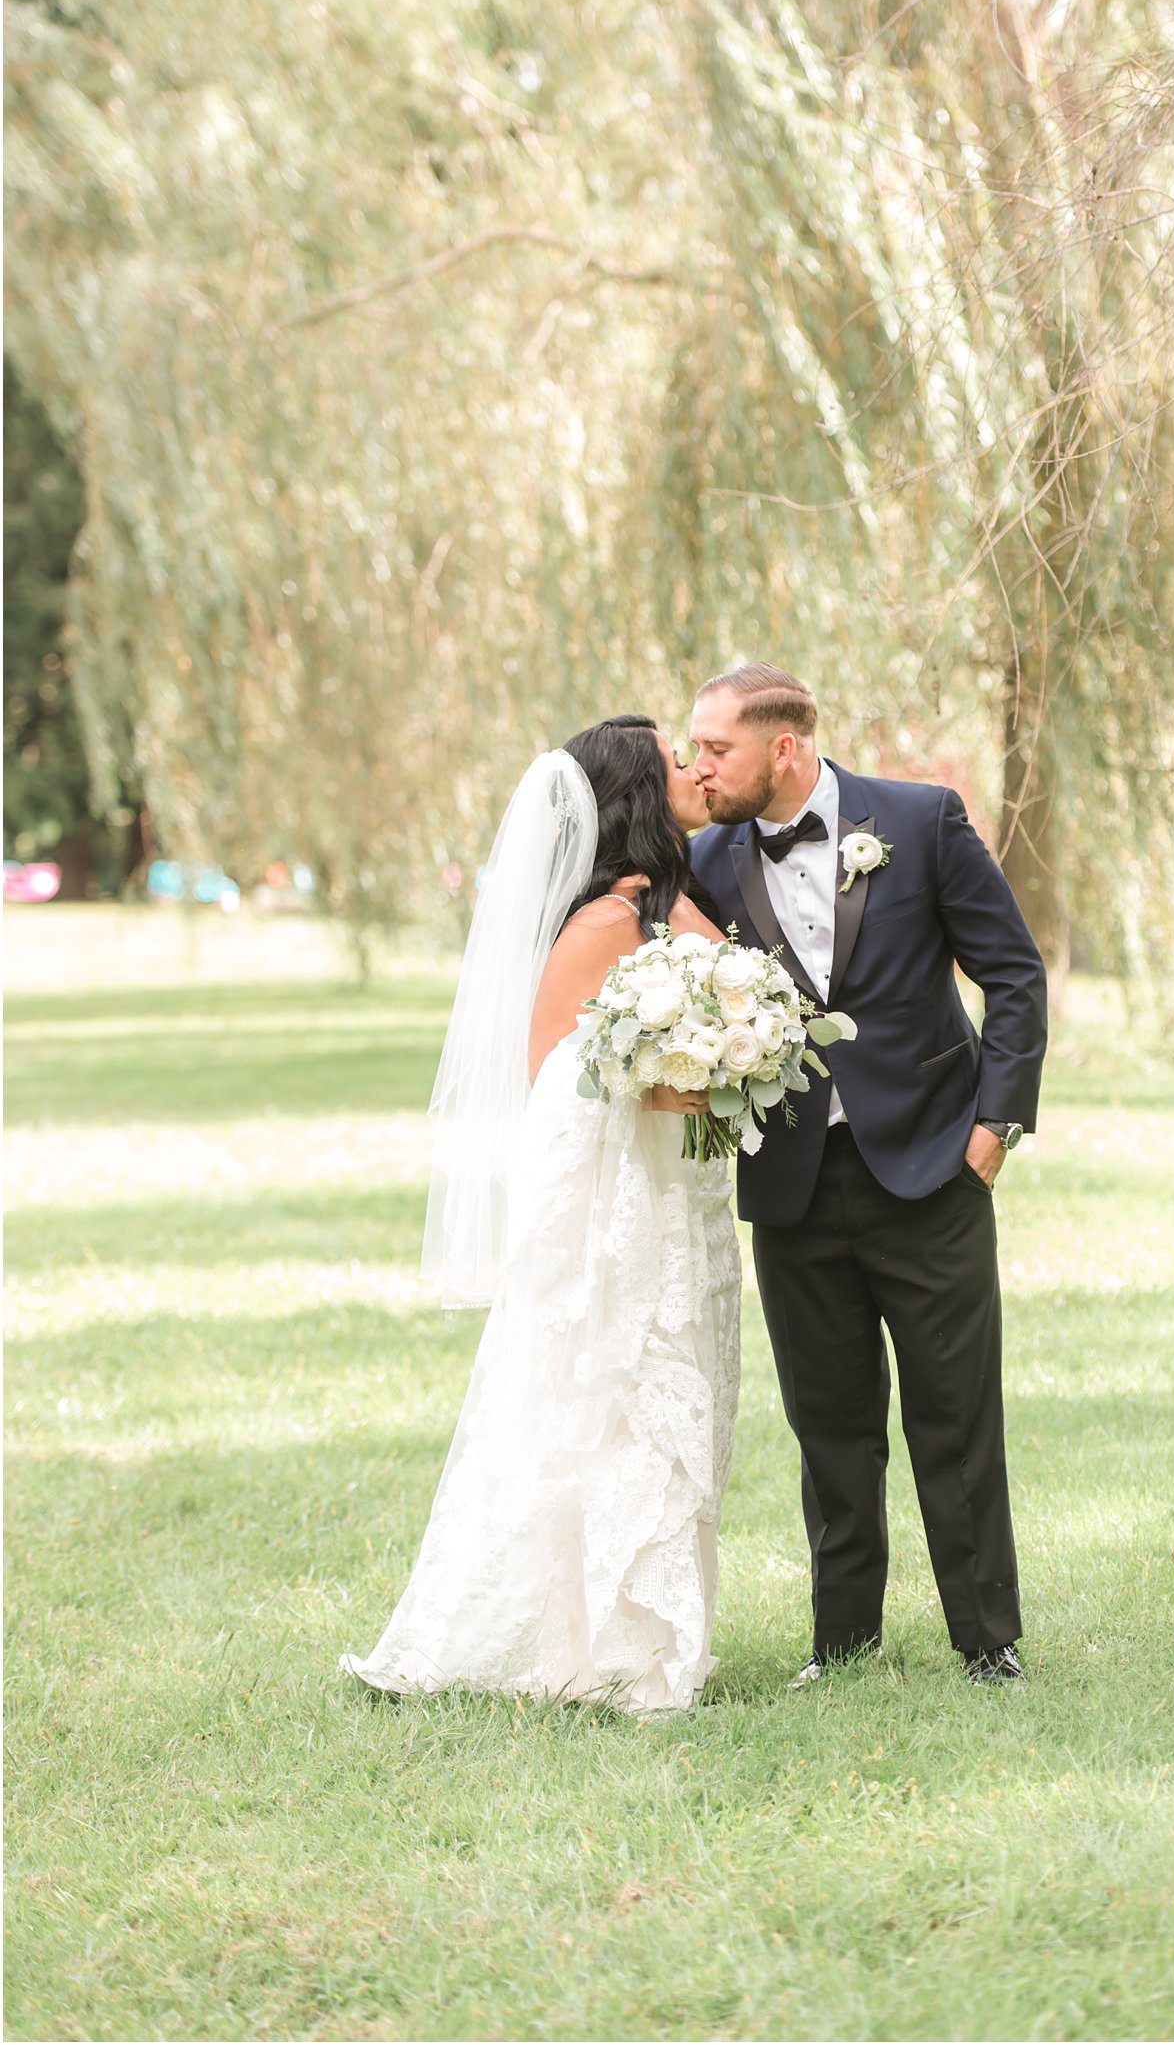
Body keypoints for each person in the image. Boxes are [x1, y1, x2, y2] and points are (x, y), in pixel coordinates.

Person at [341, 718, 740, 1714]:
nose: (695, 769)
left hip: (680, 1196)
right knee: (608, 1406)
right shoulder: (605, 922)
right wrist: (658, 1087)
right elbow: (552, 1073)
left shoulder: (672, 903)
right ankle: (597, 1648)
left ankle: (645, 1634)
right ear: (639, 798)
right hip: (617, 1208)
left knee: (673, 1398)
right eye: (674, 762)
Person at [689, 664, 1047, 1686]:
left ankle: (987, 1643)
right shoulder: (707, 863)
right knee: (828, 1424)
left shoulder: (920, 820)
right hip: (791, 1185)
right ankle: (840, 1647)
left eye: (716, 747)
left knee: (954, 1415)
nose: (697, 764)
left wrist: (993, 1129)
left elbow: (1011, 972)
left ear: (784, 748)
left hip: (932, 1170)